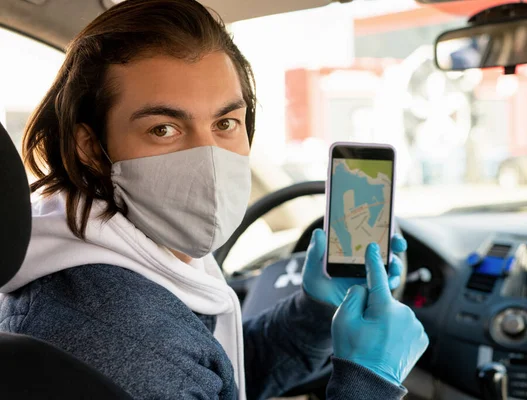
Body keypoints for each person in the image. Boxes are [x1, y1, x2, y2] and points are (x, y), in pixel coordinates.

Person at [0, 0, 428, 399]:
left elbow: (211, 373)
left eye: (225, 122)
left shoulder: (130, 249)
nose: (208, 159)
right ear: (91, 147)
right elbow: (170, 366)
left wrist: (315, 312)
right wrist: (369, 379)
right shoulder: (119, 333)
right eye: (163, 129)